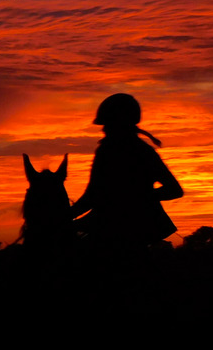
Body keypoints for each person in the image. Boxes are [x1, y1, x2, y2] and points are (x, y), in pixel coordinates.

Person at [70, 93, 183, 252]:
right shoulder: (141, 151)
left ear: (119, 123)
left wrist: (136, 197)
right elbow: (93, 195)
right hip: (130, 227)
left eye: (107, 124)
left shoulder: (112, 151)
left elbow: (93, 195)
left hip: (120, 230)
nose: (103, 129)